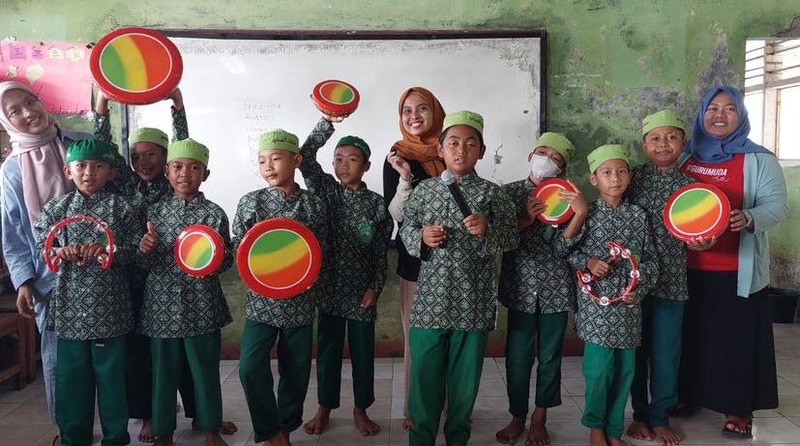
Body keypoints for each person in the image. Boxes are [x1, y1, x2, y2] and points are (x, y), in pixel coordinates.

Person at [399, 110, 518, 446]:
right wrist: (421, 237)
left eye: (470, 143)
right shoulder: (423, 191)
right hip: (429, 306)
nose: (461, 150)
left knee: (464, 385)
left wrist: (488, 232)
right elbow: (405, 230)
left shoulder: (493, 194)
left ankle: (457, 438)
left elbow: (512, 238)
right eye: (453, 142)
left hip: (474, 303)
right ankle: (421, 438)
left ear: (481, 150)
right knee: (424, 381)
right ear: (440, 150)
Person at [677, 86, 787, 438]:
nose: (720, 115)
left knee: (736, 341)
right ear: (701, 115)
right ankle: (690, 395)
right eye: (712, 108)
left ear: (741, 116)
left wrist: (750, 217)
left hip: (738, 272)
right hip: (687, 271)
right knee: (692, 338)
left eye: (729, 109)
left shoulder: (759, 159)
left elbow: (776, 206)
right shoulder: (686, 158)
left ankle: (739, 408)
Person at [0, 80, 91, 446]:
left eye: (30, 102)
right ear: (7, 123)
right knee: (57, 357)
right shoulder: (10, 171)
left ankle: (122, 421)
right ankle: (67, 430)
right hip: (47, 276)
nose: (28, 113)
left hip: (100, 267)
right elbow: (13, 230)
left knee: (110, 352)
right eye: (15, 112)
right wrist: (23, 281)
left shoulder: (76, 144)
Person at [33, 138, 139, 446]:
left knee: (111, 381)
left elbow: (135, 252)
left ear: (111, 172)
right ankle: (72, 438)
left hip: (110, 311)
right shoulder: (57, 209)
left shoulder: (123, 208)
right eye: (81, 166)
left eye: (98, 166)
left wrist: (109, 250)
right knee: (72, 381)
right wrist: (62, 250)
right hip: (69, 312)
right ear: (68, 171)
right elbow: (44, 247)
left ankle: (116, 438)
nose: (88, 172)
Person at [235, 128, 331, 446]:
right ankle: (268, 429)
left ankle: (285, 429)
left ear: (296, 160)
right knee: (249, 367)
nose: (269, 167)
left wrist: (309, 276)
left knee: (296, 372)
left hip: (300, 302)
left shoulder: (313, 204)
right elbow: (241, 249)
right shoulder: (250, 203)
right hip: (261, 303)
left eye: (276, 158)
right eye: (262, 160)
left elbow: (322, 251)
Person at [137, 138, 233, 446]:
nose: (185, 174)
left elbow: (227, 258)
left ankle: (210, 430)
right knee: (163, 374)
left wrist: (216, 260)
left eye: (194, 168)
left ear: (205, 174)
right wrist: (145, 248)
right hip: (160, 307)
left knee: (205, 372)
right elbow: (140, 260)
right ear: (166, 172)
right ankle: (163, 431)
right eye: (178, 167)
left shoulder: (214, 214)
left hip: (202, 305)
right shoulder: (152, 212)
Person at [299, 131, 393, 436]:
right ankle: (325, 407)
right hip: (328, 290)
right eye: (338, 160)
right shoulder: (326, 192)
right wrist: (327, 122)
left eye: (351, 160)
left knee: (363, 355)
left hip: (361, 293)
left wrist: (374, 288)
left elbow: (380, 255)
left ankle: (361, 409)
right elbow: (305, 155)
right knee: (327, 353)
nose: (343, 166)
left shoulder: (378, 206)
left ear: (366, 166)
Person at [495, 132, 586, 446]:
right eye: (543, 152)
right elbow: (498, 240)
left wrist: (578, 212)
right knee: (517, 357)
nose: (547, 159)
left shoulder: (568, 198)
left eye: (556, 158)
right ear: (530, 155)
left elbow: (564, 248)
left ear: (561, 169)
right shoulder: (506, 195)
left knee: (550, 358)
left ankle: (539, 418)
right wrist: (524, 219)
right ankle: (517, 415)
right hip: (519, 288)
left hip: (556, 290)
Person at [568, 144, 658, 446]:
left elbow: (650, 262)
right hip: (597, 309)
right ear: (594, 179)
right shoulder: (586, 213)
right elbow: (564, 251)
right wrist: (588, 263)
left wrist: (639, 288)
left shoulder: (638, 216)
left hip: (629, 308)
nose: (615, 178)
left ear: (630, 176)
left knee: (626, 371)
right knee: (599, 371)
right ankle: (595, 427)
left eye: (621, 171)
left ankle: (613, 430)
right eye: (607, 172)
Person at [624, 110, 696, 446]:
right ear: (644, 144)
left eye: (671, 137)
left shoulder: (692, 188)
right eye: (655, 138)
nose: (663, 144)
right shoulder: (629, 180)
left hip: (671, 283)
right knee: (635, 351)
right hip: (633, 285)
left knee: (667, 352)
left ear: (683, 142)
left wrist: (704, 239)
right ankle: (639, 414)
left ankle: (661, 416)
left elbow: (701, 232)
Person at [383, 86, 445, 431]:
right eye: (407, 110)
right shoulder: (398, 155)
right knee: (418, 341)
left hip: (453, 265)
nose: (414, 116)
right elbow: (397, 214)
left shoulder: (452, 149)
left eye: (422, 108)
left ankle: (444, 405)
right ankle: (415, 410)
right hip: (416, 263)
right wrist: (405, 178)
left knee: (448, 339)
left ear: (436, 112)